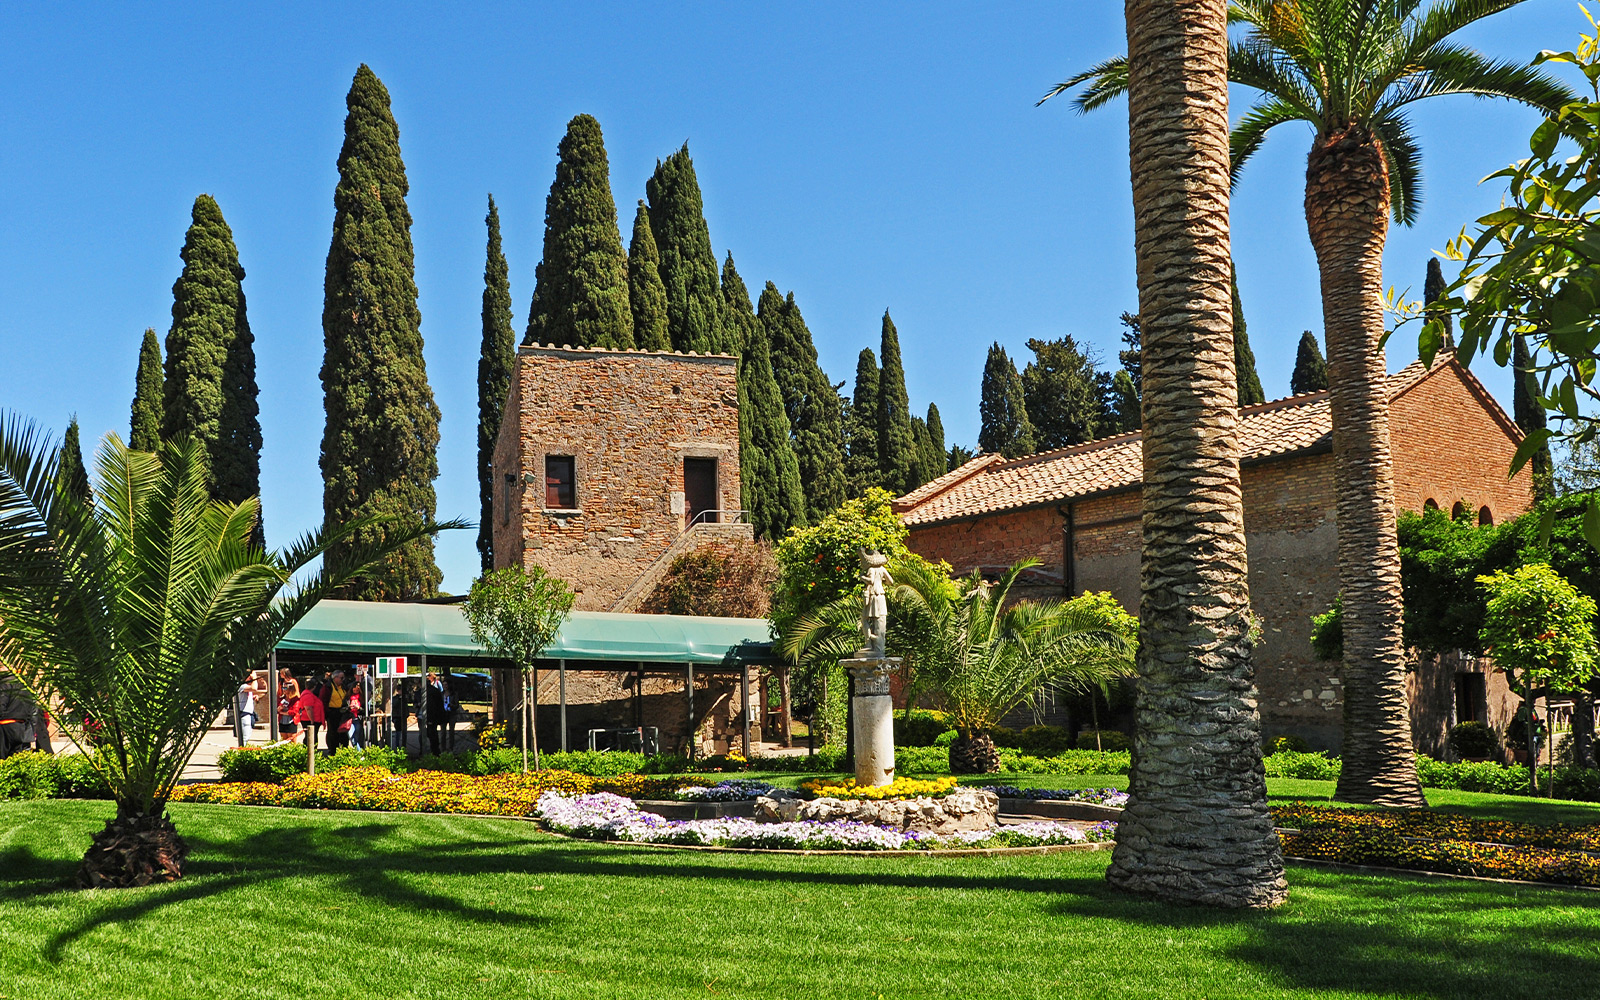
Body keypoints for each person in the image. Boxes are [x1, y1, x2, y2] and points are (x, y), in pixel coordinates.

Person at [320, 669, 353, 752]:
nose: (343, 680)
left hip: (342, 712)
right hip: (332, 713)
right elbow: (323, 701)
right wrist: (326, 713)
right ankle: (332, 750)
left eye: (343, 678)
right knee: (333, 733)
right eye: (341, 678)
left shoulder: (343, 686)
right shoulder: (328, 687)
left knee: (344, 733)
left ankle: (343, 750)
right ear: (335, 678)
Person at [425, 671, 447, 756]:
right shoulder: (434, 691)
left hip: (432, 715)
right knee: (433, 732)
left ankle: (435, 750)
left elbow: (434, 704)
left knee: (432, 733)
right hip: (435, 714)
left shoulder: (432, 691)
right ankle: (435, 750)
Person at [277, 668, 301, 741]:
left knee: (292, 738)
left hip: (291, 716)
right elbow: (279, 692)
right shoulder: (281, 682)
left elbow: (297, 692)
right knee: (283, 738)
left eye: (286, 687)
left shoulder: (293, 681)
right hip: (283, 717)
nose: (284, 689)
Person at [236, 675, 260, 744]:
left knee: (248, 735)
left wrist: (254, 697)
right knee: (244, 738)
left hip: (249, 713)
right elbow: (254, 688)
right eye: (249, 677)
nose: (251, 678)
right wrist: (255, 678)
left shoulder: (247, 687)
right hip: (244, 713)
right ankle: (242, 751)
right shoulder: (241, 686)